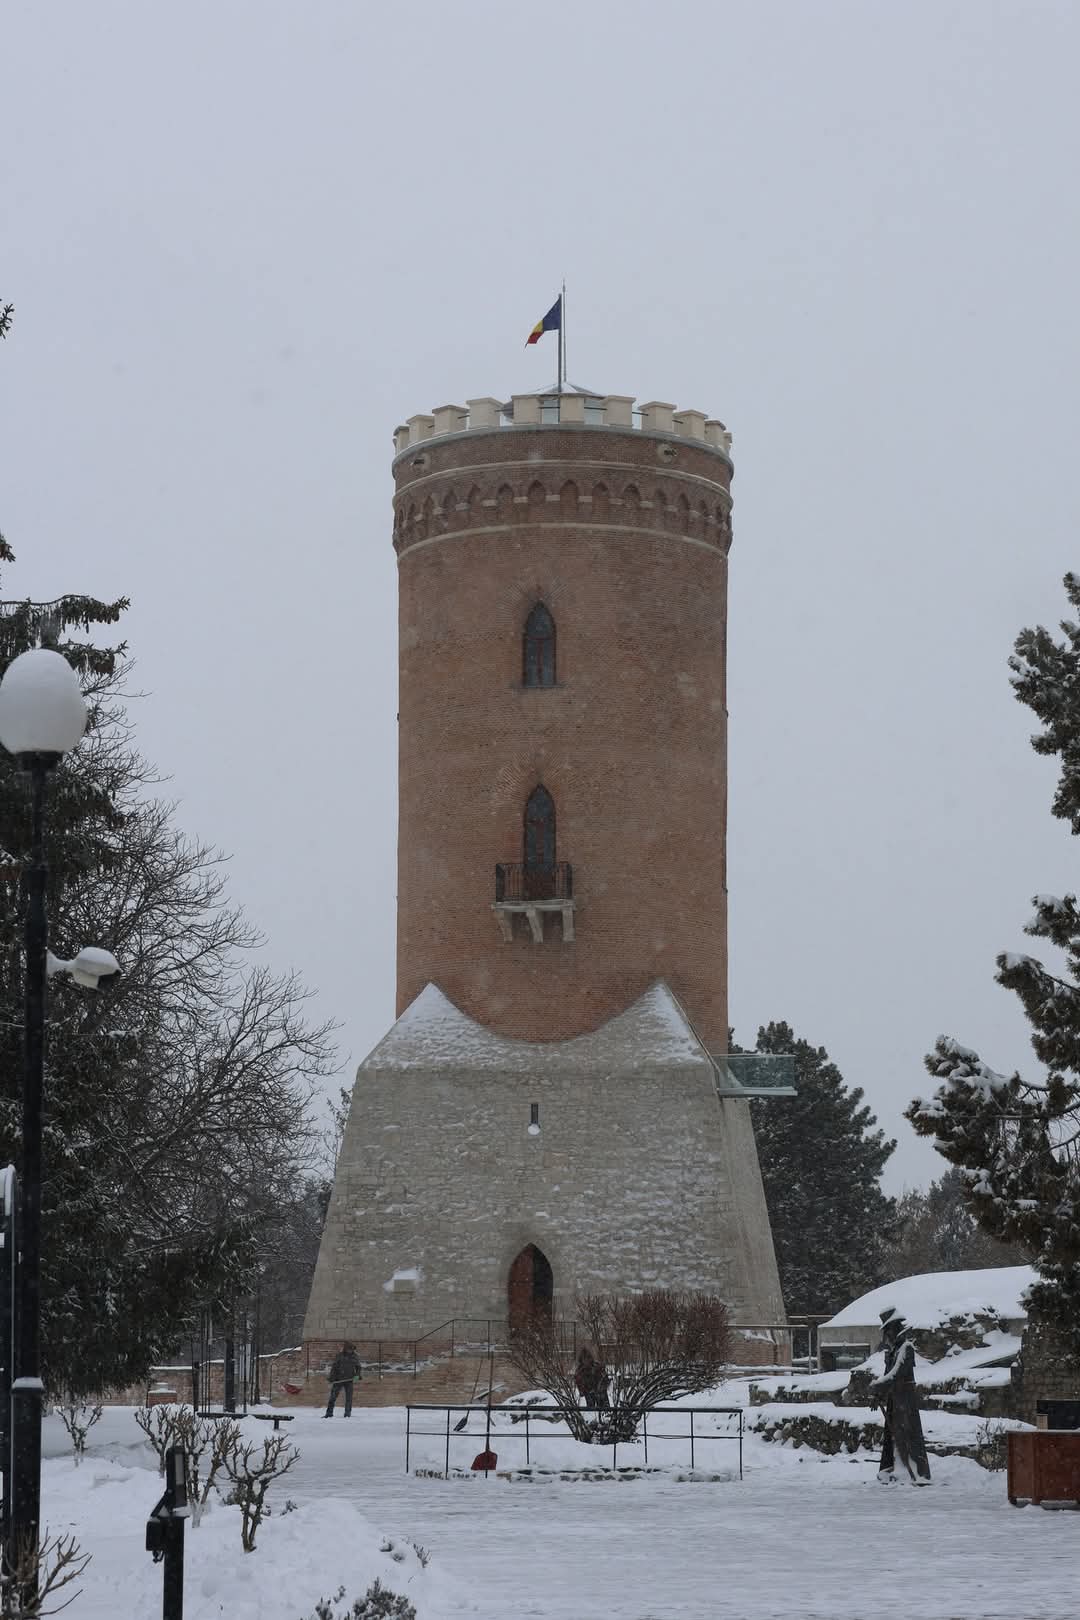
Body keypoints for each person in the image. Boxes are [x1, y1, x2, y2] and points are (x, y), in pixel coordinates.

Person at [870, 1309, 931, 1485]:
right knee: (894, 1435)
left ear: (895, 1328)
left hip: (906, 1400)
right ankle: (893, 1467)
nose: (886, 1335)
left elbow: (896, 1374)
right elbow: (887, 1374)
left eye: (888, 1330)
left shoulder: (906, 1348)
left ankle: (917, 1471)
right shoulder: (892, 1351)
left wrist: (878, 1386)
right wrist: (878, 1394)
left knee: (909, 1434)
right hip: (895, 1400)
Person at [324, 1341, 362, 1417]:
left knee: (349, 1398)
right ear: (345, 1349)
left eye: (352, 1349)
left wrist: (357, 1375)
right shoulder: (339, 1356)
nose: (350, 1351)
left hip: (349, 1380)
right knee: (333, 1397)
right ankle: (329, 1413)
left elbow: (358, 1367)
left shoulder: (355, 1356)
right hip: (338, 1379)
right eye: (349, 1349)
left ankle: (347, 1414)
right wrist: (332, 1378)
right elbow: (334, 1367)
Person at [574, 1346, 610, 1411]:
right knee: (591, 1410)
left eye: (587, 1358)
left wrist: (601, 1388)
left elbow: (605, 1379)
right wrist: (584, 1390)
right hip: (589, 1392)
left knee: (605, 1410)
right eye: (584, 1359)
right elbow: (578, 1381)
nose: (586, 1361)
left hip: (600, 1392)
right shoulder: (580, 1370)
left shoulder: (597, 1366)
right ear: (581, 1360)